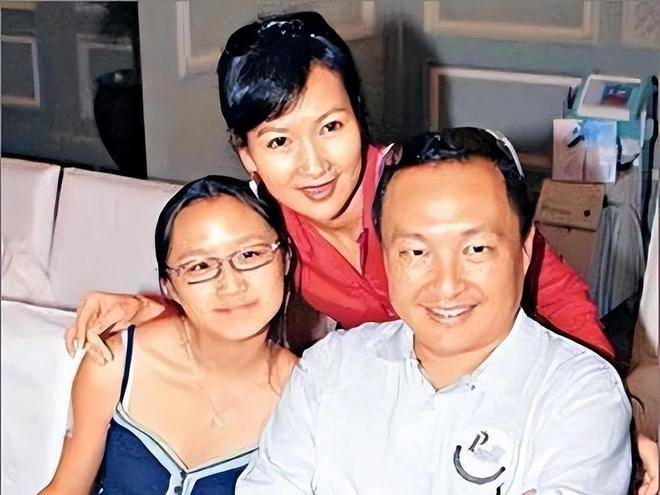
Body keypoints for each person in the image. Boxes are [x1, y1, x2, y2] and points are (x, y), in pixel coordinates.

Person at [62, 12, 657, 488]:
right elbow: (230, 293)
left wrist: (613, 420)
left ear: (358, 117)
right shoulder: (270, 237)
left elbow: (557, 297)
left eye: (331, 127)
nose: (314, 165)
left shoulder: (421, 195)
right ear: (247, 156)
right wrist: (156, 308)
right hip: (395, 397)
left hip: (504, 382)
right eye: (279, 141)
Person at [236, 128, 633, 494]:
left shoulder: (580, 395)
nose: (447, 285)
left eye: (476, 249)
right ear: (387, 258)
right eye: (416, 252)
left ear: (524, 251)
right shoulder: (328, 372)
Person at [40, 176, 297, 495]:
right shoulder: (117, 364)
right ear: (169, 286)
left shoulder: (304, 395)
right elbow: (66, 489)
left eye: (250, 255)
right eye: (199, 266)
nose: (231, 285)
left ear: (285, 259)